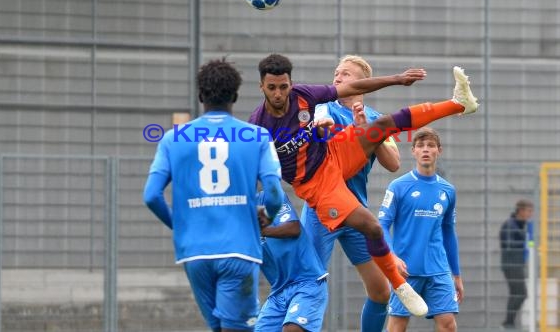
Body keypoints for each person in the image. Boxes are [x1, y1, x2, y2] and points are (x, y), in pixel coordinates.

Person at [248, 53, 478, 316]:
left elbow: (392, 163)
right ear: (262, 87)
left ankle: (458, 104)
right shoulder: (261, 125)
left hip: (336, 156)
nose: (279, 94)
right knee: (318, 272)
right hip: (320, 188)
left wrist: (397, 80)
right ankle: (401, 286)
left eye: (284, 87)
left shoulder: (307, 96)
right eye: (272, 88)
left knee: (384, 125)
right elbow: (256, 170)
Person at [143, 58, 285, 332]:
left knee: (218, 328)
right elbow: (275, 193)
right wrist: (267, 215)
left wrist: (180, 224)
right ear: (235, 95)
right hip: (239, 249)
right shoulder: (256, 136)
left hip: (194, 252)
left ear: (200, 96)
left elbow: (151, 195)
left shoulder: (173, 139)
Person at [300, 55, 400, 332]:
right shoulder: (323, 108)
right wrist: (322, 129)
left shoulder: (378, 120)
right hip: (323, 211)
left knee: (381, 291)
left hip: (356, 214)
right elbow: (319, 131)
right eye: (336, 73)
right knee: (309, 284)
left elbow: (393, 163)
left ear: (363, 85)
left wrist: (370, 133)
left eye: (345, 74)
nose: (337, 77)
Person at [379, 127, 464, 332]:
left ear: (439, 151)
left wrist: (457, 274)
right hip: (406, 270)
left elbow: (448, 233)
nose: (426, 149)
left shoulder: (448, 190)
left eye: (431, 145)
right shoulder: (398, 186)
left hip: (439, 269)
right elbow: (381, 225)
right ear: (414, 151)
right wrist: (392, 258)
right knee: (398, 326)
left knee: (448, 325)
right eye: (421, 146)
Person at [255, 191, 329, 332]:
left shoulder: (269, 198)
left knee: (292, 329)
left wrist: (259, 231)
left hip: (307, 283)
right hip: (278, 293)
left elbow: (293, 228)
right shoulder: (234, 220)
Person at [499, 199, 534, 329]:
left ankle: (509, 322)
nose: (530, 214)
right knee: (521, 293)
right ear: (521, 210)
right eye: (529, 211)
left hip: (516, 264)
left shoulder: (520, 225)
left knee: (516, 293)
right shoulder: (511, 225)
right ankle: (508, 322)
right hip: (511, 264)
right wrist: (525, 240)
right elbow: (508, 244)